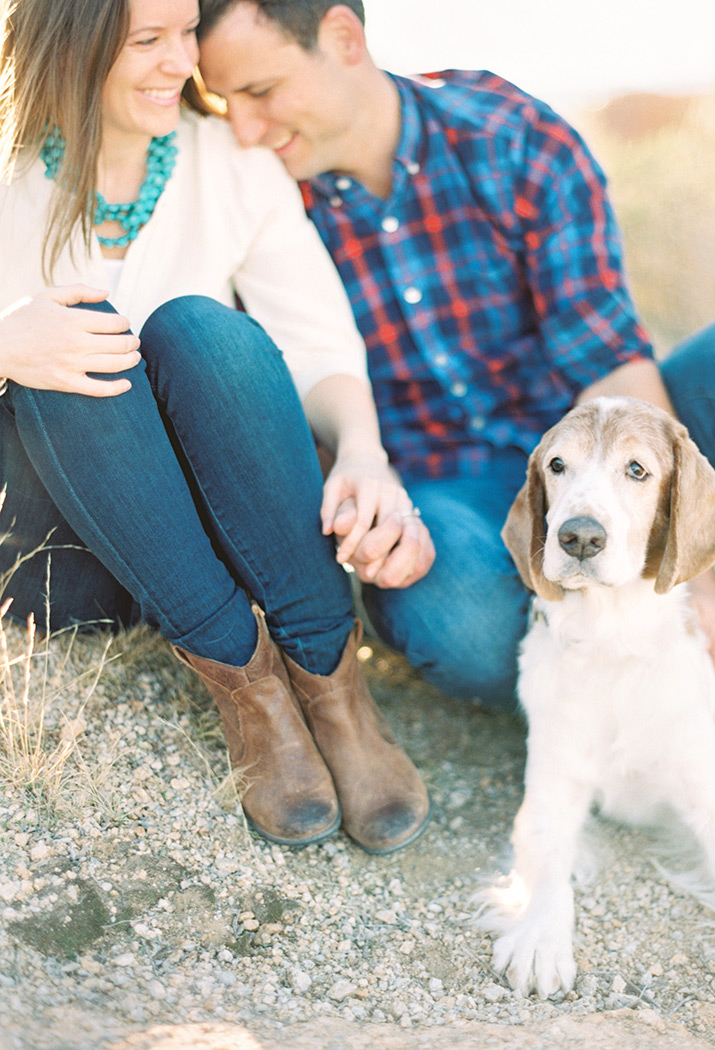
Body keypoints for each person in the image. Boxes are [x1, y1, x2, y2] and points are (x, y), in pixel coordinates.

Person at [191, 0, 715, 813]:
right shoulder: (257, 197)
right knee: (444, 611)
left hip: (600, 443)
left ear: (343, 38)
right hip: (451, 501)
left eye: (261, 90)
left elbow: (608, 362)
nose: (242, 126)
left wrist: (693, 579)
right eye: (223, 101)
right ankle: (610, 661)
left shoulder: (511, 136)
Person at [0, 0, 432, 855]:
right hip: (65, 556)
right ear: (74, 43)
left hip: (200, 528)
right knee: (68, 334)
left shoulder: (226, 160)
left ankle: (329, 681)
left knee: (201, 327)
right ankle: (250, 690)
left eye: (187, 31)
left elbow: (315, 341)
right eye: (149, 40)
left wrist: (366, 454)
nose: (181, 62)